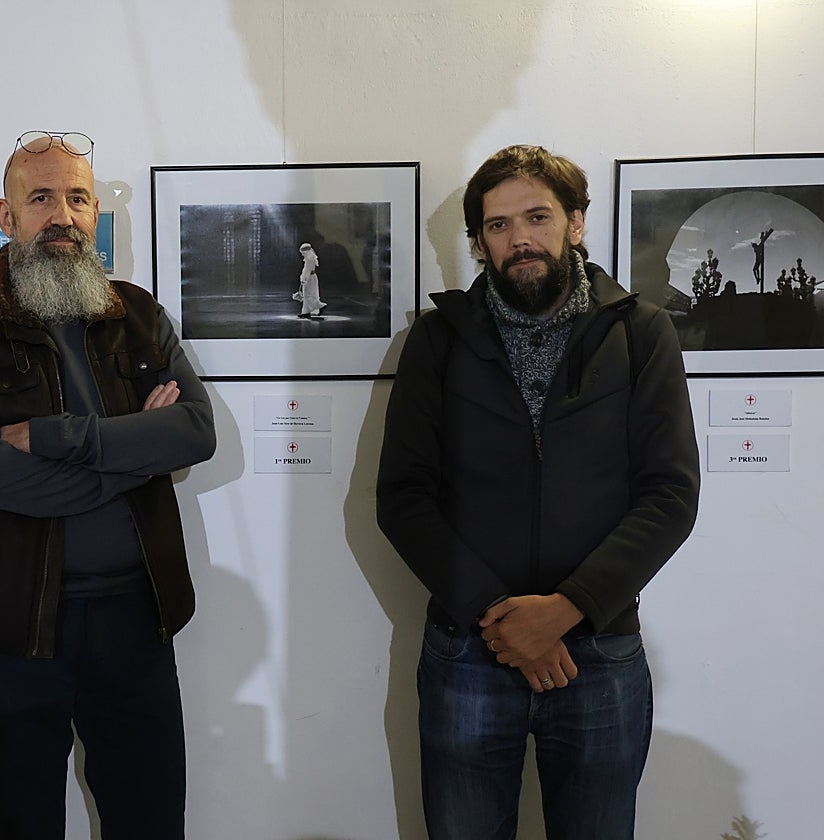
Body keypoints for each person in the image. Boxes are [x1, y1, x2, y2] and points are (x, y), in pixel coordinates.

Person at [376, 145, 700, 839]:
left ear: (575, 224)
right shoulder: (436, 342)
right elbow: (403, 497)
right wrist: (502, 616)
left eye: (537, 216)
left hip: (601, 649)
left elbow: (670, 494)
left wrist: (564, 611)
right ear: (480, 242)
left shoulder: (641, 332)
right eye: (497, 225)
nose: (518, 238)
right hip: (470, 647)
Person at [0, 129, 216, 840]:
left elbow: (196, 432)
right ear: (7, 216)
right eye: (42, 197)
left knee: (148, 821)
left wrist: (67, 442)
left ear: (94, 214)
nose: (62, 214)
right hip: (10, 626)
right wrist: (134, 459)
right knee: (22, 825)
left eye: (77, 197)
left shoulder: (140, 316)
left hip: (135, 621)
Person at [293, 241, 326, 318]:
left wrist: (303, 279)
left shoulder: (309, 259)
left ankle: (320, 306)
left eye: (303, 252)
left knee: (308, 295)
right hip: (312, 277)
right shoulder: (311, 258)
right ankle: (306, 312)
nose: (302, 254)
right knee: (311, 294)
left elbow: (307, 270)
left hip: (309, 279)